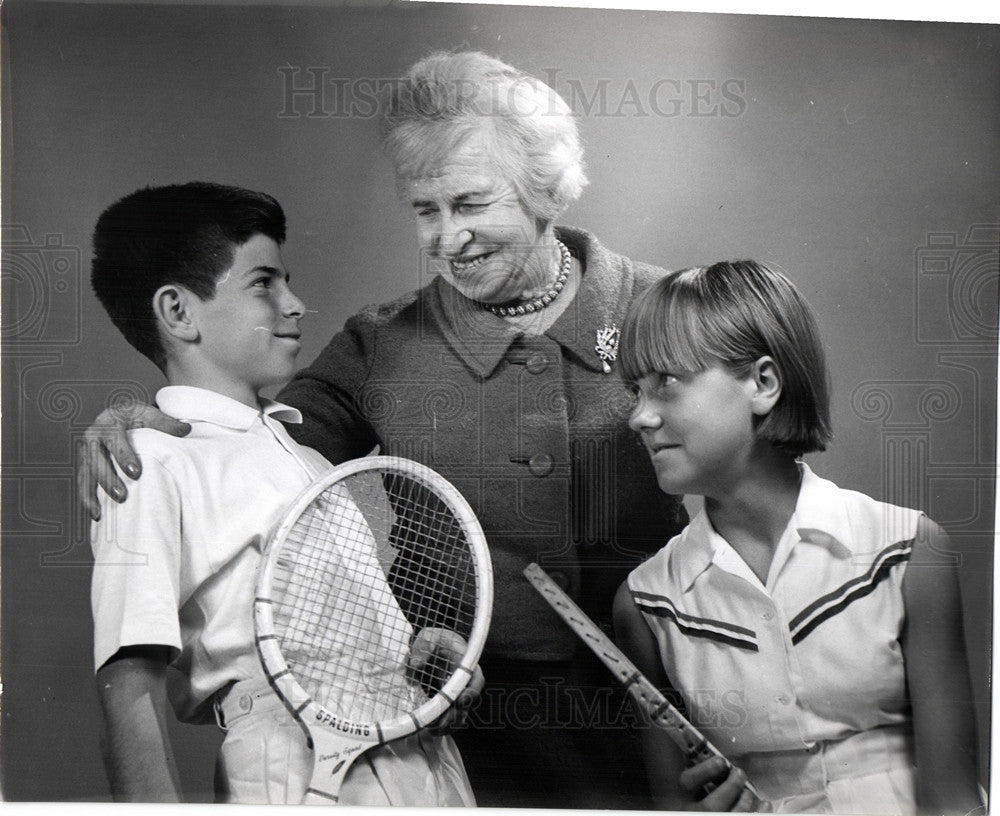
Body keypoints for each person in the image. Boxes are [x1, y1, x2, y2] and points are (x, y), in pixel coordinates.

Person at [77, 53, 688, 808]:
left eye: (469, 203)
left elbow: (750, 471)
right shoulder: (380, 342)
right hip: (453, 730)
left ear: (543, 189)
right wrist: (139, 417)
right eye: (424, 211)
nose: (445, 238)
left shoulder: (663, 306)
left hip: (655, 711)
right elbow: (259, 440)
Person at [87, 181, 478, 805]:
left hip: (424, 760)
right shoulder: (150, 458)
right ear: (178, 312)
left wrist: (418, 655)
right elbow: (129, 683)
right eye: (263, 283)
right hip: (292, 763)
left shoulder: (314, 458)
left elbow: (341, 624)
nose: (295, 304)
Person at [612, 260, 981, 814]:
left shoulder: (907, 552)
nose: (639, 417)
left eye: (666, 382)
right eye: (634, 391)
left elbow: (955, 801)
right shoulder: (645, 606)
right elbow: (675, 805)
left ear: (763, 383)